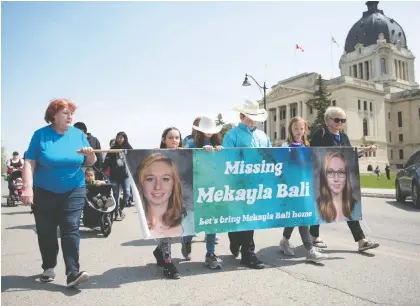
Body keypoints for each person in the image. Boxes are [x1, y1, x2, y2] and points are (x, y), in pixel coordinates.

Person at [21, 98, 96, 288]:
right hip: (44, 190)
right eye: (65, 112)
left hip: (74, 188)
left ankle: (72, 272)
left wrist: (90, 154)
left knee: (70, 227)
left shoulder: (79, 134)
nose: (70, 116)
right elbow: (29, 162)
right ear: (53, 115)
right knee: (46, 231)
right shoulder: (40, 135)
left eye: (71, 113)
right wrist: (27, 188)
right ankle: (48, 266)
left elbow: (89, 162)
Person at [309, 106, 379, 252]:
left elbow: (349, 155)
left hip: (340, 179)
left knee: (348, 206)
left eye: (343, 120)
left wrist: (365, 151)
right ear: (328, 120)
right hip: (322, 177)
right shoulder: (320, 134)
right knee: (320, 204)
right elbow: (313, 154)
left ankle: (361, 241)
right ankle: (314, 237)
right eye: (337, 120)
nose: (340, 123)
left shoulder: (344, 137)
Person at [222, 100, 270, 269]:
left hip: (256, 185)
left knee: (250, 218)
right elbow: (226, 160)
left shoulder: (263, 137)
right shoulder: (231, 135)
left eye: (254, 118)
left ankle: (247, 252)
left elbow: (270, 158)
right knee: (240, 218)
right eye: (249, 117)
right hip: (238, 184)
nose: (252, 121)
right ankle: (241, 246)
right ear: (241, 116)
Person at [279, 117, 328, 263]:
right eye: (296, 129)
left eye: (301, 129)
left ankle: (284, 240)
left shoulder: (307, 146)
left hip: (305, 188)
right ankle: (310, 249)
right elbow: (281, 166)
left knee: (297, 216)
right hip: (291, 188)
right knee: (302, 217)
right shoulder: (285, 145)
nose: (299, 132)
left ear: (305, 130)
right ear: (290, 130)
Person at [181, 116, 223, 270]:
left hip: (211, 189)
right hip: (194, 188)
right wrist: (200, 152)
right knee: (193, 222)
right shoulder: (191, 144)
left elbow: (223, 164)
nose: (209, 133)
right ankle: (186, 240)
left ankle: (210, 254)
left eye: (211, 131)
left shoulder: (218, 145)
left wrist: (219, 152)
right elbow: (184, 162)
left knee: (211, 222)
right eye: (206, 131)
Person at [150, 127, 184, 279]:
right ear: (164, 139)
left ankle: (160, 251)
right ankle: (168, 263)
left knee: (176, 229)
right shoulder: (157, 154)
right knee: (166, 229)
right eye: (171, 137)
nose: (174, 140)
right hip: (161, 197)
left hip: (178, 196)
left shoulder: (185, 154)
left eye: (177, 137)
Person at [317, 151, 362, 223]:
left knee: (356, 228)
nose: (336, 179)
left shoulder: (356, 206)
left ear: (346, 176)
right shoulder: (315, 207)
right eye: (330, 172)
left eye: (341, 172)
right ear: (324, 176)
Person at [103, 131, 132, 221]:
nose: (119, 139)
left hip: (125, 176)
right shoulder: (112, 149)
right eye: (118, 138)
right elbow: (106, 162)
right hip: (114, 176)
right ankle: (116, 213)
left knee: (127, 193)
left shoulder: (129, 148)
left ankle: (120, 209)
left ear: (125, 138)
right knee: (115, 195)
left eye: (121, 138)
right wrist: (103, 169)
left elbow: (133, 160)